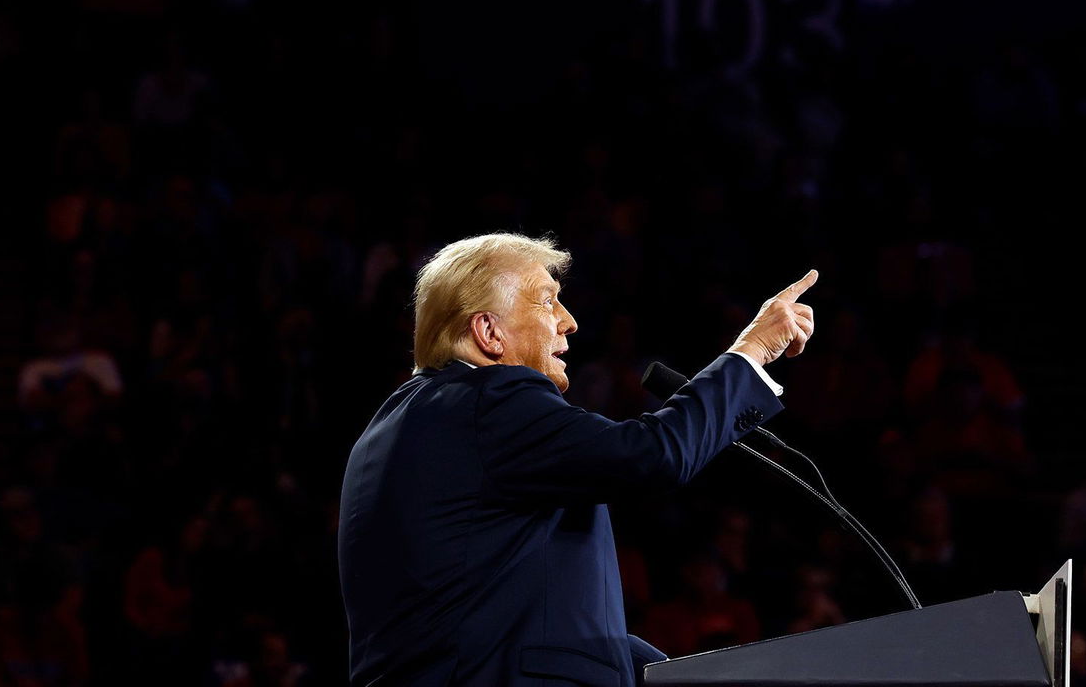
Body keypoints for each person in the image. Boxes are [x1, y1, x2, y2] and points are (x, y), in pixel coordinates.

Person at [338, 233, 816, 686]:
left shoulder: (388, 430)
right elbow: (653, 454)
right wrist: (750, 352)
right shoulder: (492, 398)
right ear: (489, 332)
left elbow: (497, 617)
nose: (569, 320)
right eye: (547, 300)